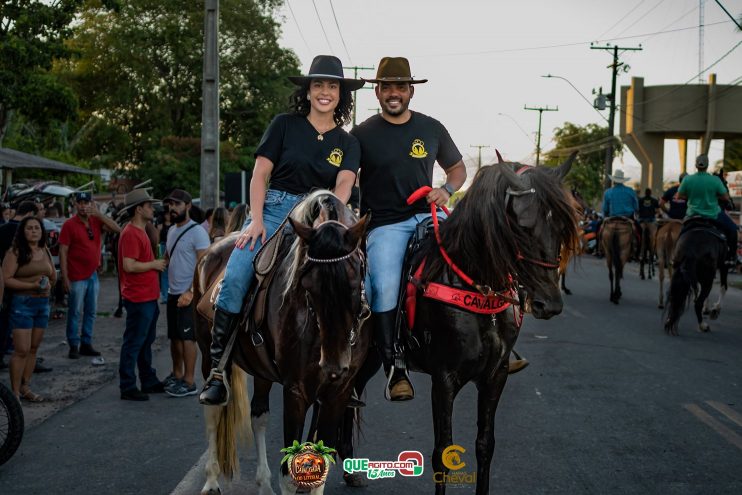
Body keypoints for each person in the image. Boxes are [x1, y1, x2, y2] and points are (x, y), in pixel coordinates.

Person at [199, 54, 363, 406]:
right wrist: (256, 219)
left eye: (332, 86)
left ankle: (344, 372)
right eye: (317, 85)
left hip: (320, 219)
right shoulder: (284, 124)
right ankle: (218, 369)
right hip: (273, 211)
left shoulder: (347, 142)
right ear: (306, 91)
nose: (324, 92)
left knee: (350, 283)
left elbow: (345, 183)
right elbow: (260, 174)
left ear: (341, 94)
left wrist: (331, 219)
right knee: (237, 275)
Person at [350, 57, 467, 401]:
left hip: (429, 215)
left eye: (401, 87)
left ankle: (495, 337)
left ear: (411, 91)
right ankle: (395, 366)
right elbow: (344, 177)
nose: (394, 93)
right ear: (377, 92)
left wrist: (447, 189)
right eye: (387, 87)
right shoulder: (362, 134)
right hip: (385, 224)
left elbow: (457, 168)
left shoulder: (432, 128)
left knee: (469, 255)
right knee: (383, 285)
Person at [117, 189, 168, 401]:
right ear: (139, 209)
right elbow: (129, 265)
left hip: (146, 296)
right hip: (138, 297)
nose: (152, 209)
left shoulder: (140, 230)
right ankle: (128, 385)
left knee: (144, 341)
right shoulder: (130, 233)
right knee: (134, 342)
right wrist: (154, 264)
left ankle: (147, 379)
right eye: (148, 206)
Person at [59, 191, 121, 359]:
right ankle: (73, 344)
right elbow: (63, 251)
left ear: (91, 204)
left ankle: (86, 343)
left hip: (93, 274)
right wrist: (65, 277)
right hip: (76, 276)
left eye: (86, 203)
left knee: (91, 311)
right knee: (74, 312)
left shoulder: (96, 221)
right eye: (80, 203)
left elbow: (117, 229)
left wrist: (99, 214)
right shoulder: (69, 225)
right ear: (75, 205)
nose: (83, 206)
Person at [162, 189, 211, 398]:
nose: (172, 208)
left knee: (188, 338)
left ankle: (190, 382)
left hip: (189, 294)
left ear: (188, 206)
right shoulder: (171, 230)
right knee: (174, 337)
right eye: (170, 204)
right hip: (173, 293)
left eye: (177, 204)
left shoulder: (197, 232)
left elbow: (205, 265)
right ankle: (177, 373)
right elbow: (167, 257)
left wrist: (192, 292)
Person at [1, 216, 56, 401]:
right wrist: (31, 286)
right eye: (29, 228)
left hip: (42, 304)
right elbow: (6, 279)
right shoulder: (15, 252)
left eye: (37, 228)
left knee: (33, 348)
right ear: (22, 232)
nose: (34, 231)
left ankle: (26, 387)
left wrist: (48, 284)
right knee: (21, 350)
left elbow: (53, 276)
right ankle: (14, 394)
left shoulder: (45, 250)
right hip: (22, 304)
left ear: (42, 232)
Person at [677, 154, 738, 267]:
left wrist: (691, 196)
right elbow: (725, 197)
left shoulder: (687, 179)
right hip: (713, 215)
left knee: (681, 234)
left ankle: (676, 257)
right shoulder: (715, 180)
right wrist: (714, 196)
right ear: (707, 165)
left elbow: (678, 196)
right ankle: (731, 257)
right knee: (733, 229)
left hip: (692, 216)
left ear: (696, 165)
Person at [0, 201, 40, 370]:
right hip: (18, 286)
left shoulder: (3, 229)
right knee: (18, 328)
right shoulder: (21, 233)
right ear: (30, 214)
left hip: (8, 284)